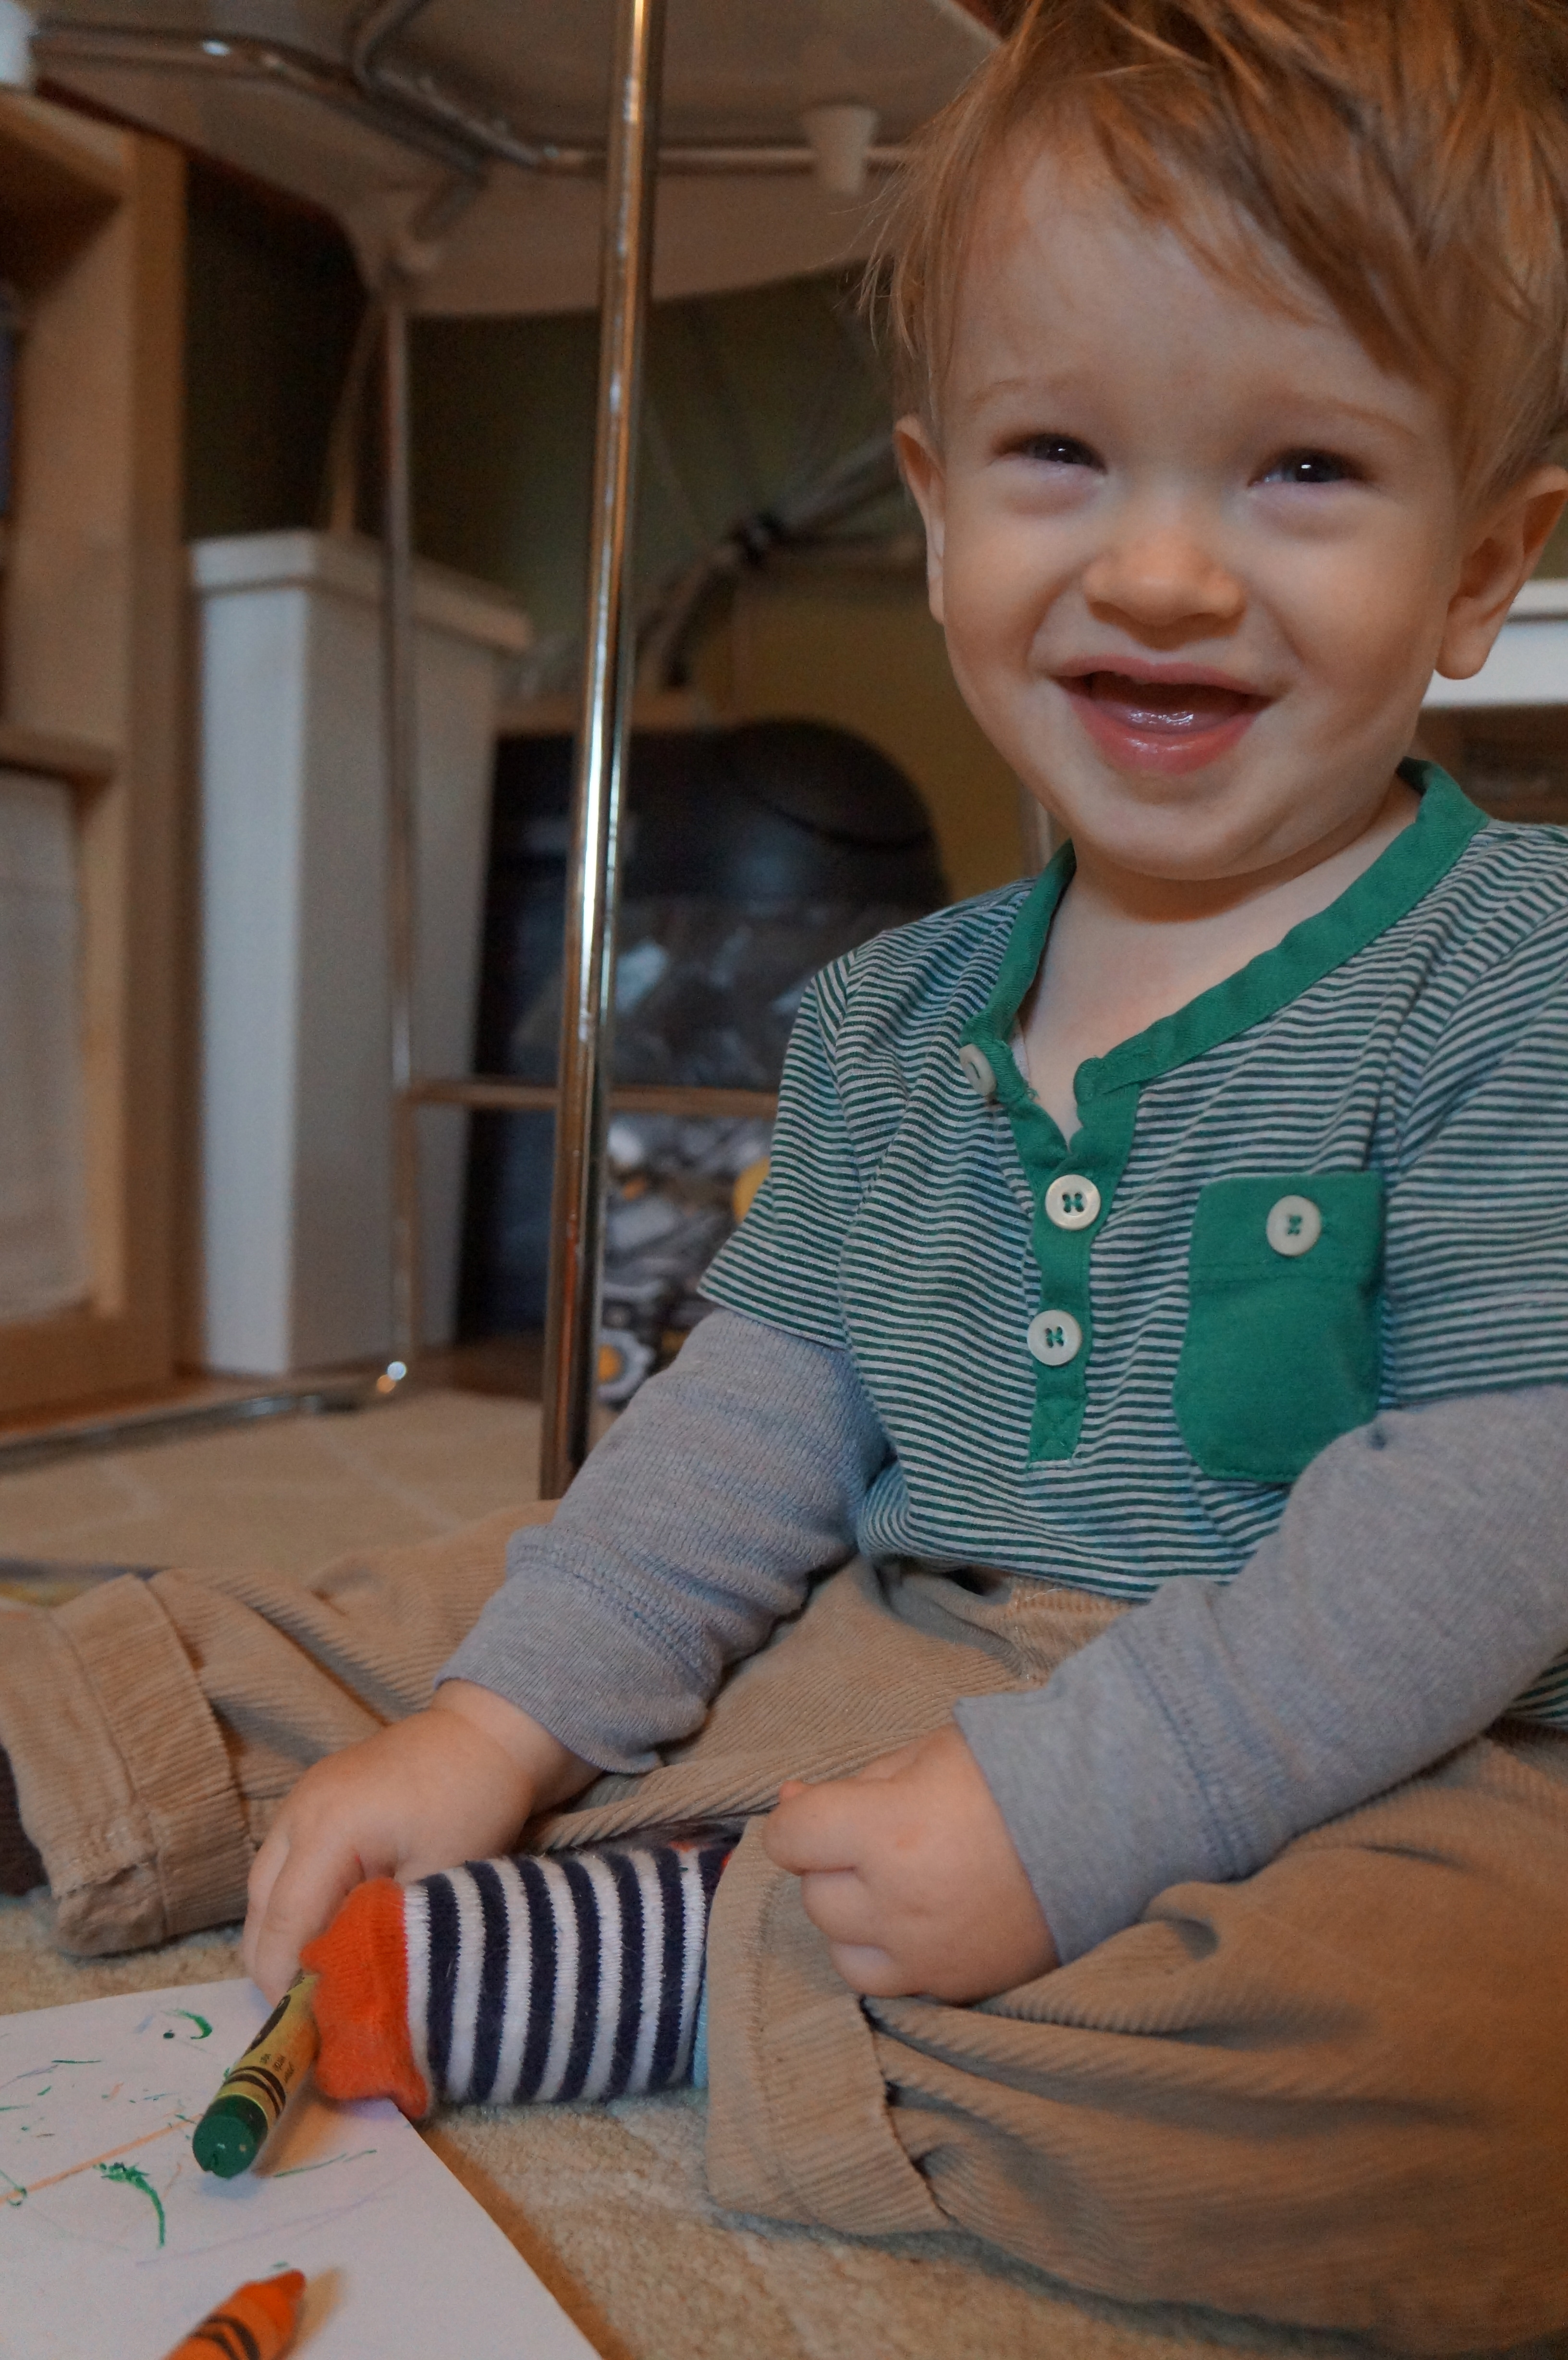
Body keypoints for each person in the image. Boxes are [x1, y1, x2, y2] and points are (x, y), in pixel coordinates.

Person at [5, 0, 1568, 2341]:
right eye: (1062, 453)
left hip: (1346, 1743)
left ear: (1482, 565)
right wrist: (501, 1722)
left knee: (1472, 2048)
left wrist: (1072, 1812)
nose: (1157, 571)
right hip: (886, 1632)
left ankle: (649, 1955)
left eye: (1304, 471)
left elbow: (1495, 1511)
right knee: (475, 1596)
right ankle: (91, 1747)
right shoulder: (890, 1016)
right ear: (937, 511)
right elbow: (757, 1429)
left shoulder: (1519, 971)